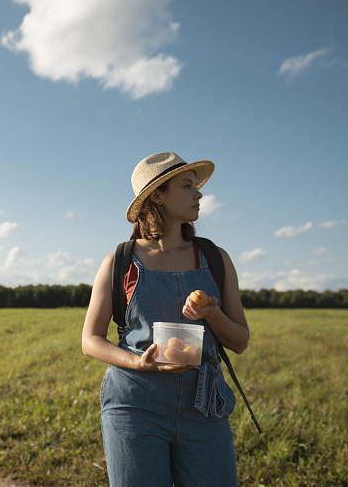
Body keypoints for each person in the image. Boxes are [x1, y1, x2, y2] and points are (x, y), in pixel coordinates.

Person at [82, 152, 250, 486]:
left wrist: (213, 314)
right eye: (187, 186)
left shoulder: (215, 259)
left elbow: (240, 341)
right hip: (134, 405)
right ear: (157, 195)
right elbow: (91, 340)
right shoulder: (120, 262)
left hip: (203, 407)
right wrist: (139, 363)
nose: (198, 194)